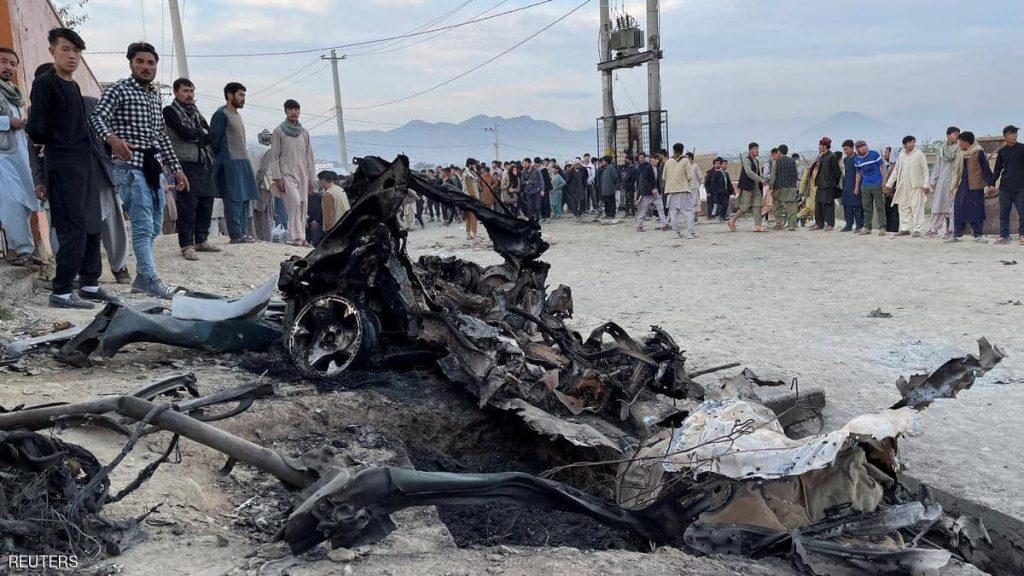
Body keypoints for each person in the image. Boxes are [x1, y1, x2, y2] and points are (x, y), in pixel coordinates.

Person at [89, 40, 187, 300]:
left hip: (153, 167)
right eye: (140, 62)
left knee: (154, 226)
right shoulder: (119, 89)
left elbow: (160, 136)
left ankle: (143, 278)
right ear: (131, 64)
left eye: (150, 63)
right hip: (129, 166)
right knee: (143, 226)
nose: (146, 67)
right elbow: (96, 117)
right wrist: (112, 140)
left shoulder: (154, 95)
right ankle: (150, 279)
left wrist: (176, 169)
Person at [28, 30, 115, 307]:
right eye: (65, 49)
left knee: (92, 224)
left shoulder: (74, 86)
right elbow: (36, 128)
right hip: (63, 165)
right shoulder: (45, 83)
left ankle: (89, 284)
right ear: (52, 51)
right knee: (73, 227)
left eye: (76, 51)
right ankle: (62, 291)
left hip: (85, 164)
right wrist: (53, 142)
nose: (72, 56)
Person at [163, 78, 219, 260]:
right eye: (185, 91)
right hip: (185, 162)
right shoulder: (170, 111)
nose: (189, 95)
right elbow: (183, 133)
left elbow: (210, 135)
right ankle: (187, 244)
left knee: (206, 201)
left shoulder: (195, 112)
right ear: (176, 92)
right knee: (187, 204)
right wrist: (199, 134)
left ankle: (201, 240)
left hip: (203, 161)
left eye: (191, 91)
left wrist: (197, 135)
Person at [0, 47, 41, 267]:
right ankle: (23, 249)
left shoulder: (13, 92)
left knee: (24, 201)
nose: (8, 67)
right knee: (12, 201)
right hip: (3, 157)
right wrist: (7, 122)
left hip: (19, 154)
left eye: (12, 63)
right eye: (3, 62)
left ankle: (19, 249)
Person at [210, 82, 259, 245]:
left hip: (243, 160)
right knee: (233, 199)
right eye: (240, 95)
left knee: (245, 199)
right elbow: (214, 141)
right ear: (230, 95)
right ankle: (236, 234)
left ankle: (243, 232)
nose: (243, 98)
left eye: (244, 95)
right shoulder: (221, 114)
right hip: (229, 161)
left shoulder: (237, 115)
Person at [270, 99, 316, 247]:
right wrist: (277, 177)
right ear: (285, 112)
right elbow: (275, 156)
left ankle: (302, 238)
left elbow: (309, 156)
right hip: (286, 174)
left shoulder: (304, 132)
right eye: (290, 109)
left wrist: (312, 178)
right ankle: (296, 236)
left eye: (296, 109)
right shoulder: (279, 131)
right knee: (294, 201)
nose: (293, 112)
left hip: (303, 174)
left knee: (302, 204)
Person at [948, 131, 993, 243]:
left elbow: (986, 169)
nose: (959, 144)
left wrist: (990, 184)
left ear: (966, 142)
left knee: (975, 210)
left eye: (961, 141)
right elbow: (957, 170)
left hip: (975, 185)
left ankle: (978, 235)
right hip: (962, 184)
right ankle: (957, 235)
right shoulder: (961, 153)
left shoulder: (978, 152)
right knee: (959, 208)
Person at [884, 135, 929, 237]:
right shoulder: (901, 156)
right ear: (904, 145)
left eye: (913, 142)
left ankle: (917, 229)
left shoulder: (919, 154)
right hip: (902, 186)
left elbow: (925, 170)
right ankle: (905, 229)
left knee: (917, 208)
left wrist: (925, 184)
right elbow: (896, 171)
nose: (912, 144)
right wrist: (888, 184)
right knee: (903, 207)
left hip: (916, 185)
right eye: (910, 142)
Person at [991, 125, 1024, 244]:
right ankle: (1004, 236)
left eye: (1015, 133)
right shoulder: (1002, 151)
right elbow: (997, 169)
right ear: (1005, 136)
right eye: (1011, 133)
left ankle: (1023, 235)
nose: (1014, 136)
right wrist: (991, 184)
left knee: (1023, 212)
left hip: (1021, 187)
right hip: (1005, 187)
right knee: (1004, 213)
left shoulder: (1022, 148)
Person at [925, 127, 960, 239]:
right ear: (948, 135)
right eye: (955, 134)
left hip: (955, 180)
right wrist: (933, 181)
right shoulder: (941, 150)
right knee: (938, 204)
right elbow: (937, 166)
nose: (957, 136)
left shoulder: (960, 148)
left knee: (953, 205)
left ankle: (951, 230)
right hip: (942, 180)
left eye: (958, 134)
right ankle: (933, 229)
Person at [662, 143, 697, 239]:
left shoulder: (668, 162)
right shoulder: (685, 160)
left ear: (673, 150)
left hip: (671, 191)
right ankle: (690, 233)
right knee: (688, 212)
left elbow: (663, 177)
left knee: (673, 214)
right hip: (683, 189)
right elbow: (690, 176)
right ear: (682, 150)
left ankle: (676, 233)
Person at [728, 142, 764, 232]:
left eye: (758, 149)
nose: (757, 151)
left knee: (757, 205)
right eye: (755, 149)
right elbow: (748, 172)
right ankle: (732, 220)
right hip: (748, 186)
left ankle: (758, 225)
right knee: (744, 206)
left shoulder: (756, 161)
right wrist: (759, 179)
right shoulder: (746, 160)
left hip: (757, 186)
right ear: (750, 150)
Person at [247, 129, 275, 241]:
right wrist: (257, 184)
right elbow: (263, 170)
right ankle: (267, 241)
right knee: (267, 217)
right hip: (264, 186)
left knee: (255, 215)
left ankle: (258, 239)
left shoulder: (250, 149)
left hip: (250, 186)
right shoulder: (268, 151)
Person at [853, 140, 886, 236]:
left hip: (877, 184)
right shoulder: (856, 159)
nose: (863, 148)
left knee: (880, 206)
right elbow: (858, 173)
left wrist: (884, 180)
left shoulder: (874, 154)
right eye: (860, 147)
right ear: (857, 149)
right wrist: (856, 187)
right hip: (865, 185)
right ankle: (867, 227)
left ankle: (882, 227)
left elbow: (883, 165)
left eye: (864, 146)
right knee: (867, 207)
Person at [812, 137, 840, 231]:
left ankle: (830, 224)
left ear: (825, 146)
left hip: (829, 184)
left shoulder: (832, 156)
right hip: (820, 184)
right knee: (818, 203)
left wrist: (833, 182)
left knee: (828, 204)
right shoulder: (821, 156)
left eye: (820, 145)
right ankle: (819, 223)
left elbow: (837, 172)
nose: (819, 147)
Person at [769, 145, 800, 231]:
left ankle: (779, 224)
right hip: (791, 187)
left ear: (779, 152)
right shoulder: (793, 161)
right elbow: (796, 174)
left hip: (779, 187)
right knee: (791, 206)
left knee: (776, 205)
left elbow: (773, 176)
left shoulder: (776, 162)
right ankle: (792, 226)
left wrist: (771, 188)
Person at [634, 151, 666, 231]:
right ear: (651, 160)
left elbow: (657, 180)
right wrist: (652, 189)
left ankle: (664, 224)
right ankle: (639, 225)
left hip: (655, 192)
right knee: (643, 209)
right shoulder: (647, 168)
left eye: (657, 160)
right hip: (647, 193)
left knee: (660, 207)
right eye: (655, 160)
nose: (656, 161)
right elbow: (645, 181)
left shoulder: (657, 168)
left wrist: (658, 190)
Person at [838, 140, 862, 232]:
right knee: (847, 206)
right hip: (847, 186)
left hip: (856, 186)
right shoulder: (846, 160)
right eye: (844, 149)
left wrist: (857, 187)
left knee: (858, 207)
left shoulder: (858, 158)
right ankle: (848, 225)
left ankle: (859, 225)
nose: (845, 151)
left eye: (847, 149)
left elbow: (859, 173)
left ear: (852, 148)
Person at [705, 157, 732, 222]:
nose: (718, 165)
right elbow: (707, 183)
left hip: (722, 191)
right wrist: (708, 191)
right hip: (713, 192)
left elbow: (728, 182)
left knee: (723, 204)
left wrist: (731, 191)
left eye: (719, 163)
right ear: (714, 164)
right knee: (712, 204)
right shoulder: (710, 172)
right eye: (716, 163)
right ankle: (711, 216)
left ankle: (722, 216)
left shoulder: (724, 172)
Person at [520, 157, 544, 221]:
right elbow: (522, 181)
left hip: (537, 191)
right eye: (523, 164)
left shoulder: (537, 171)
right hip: (528, 191)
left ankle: (537, 220)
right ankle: (530, 220)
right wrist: (526, 182)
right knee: (530, 207)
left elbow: (541, 180)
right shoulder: (523, 172)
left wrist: (542, 190)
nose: (524, 165)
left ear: (530, 163)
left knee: (537, 207)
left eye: (525, 163)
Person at [461, 157, 479, 240]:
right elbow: (470, 188)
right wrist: (474, 198)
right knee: (473, 216)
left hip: (466, 197)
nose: (475, 166)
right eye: (474, 164)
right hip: (471, 197)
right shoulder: (468, 174)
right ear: (470, 165)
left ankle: (468, 234)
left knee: (468, 217)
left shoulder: (466, 172)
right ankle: (475, 234)